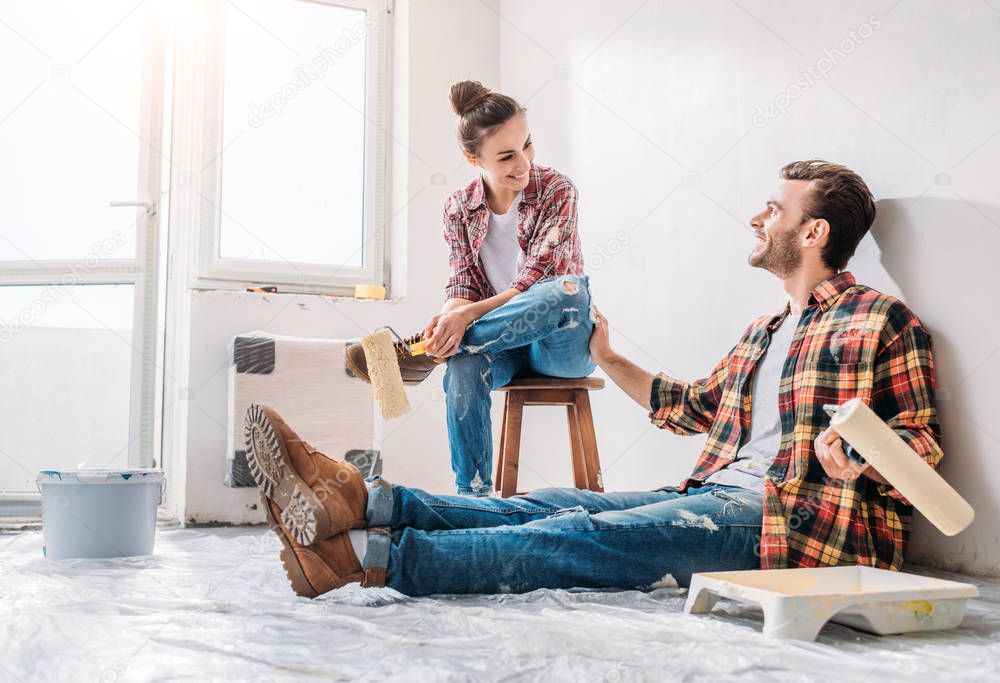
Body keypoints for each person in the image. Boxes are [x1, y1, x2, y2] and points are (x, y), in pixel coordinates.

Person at [247, 160, 944, 598]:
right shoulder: (763, 333)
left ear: (814, 232)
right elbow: (688, 406)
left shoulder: (879, 321)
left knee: (580, 534)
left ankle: (363, 557)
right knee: (549, 503)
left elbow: (918, 445)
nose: (757, 217)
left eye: (774, 209)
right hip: (716, 495)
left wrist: (855, 453)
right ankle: (360, 499)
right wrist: (607, 356)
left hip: (788, 526)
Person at [344, 81, 595, 496]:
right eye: (507, 156)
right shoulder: (459, 208)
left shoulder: (557, 190)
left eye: (527, 146)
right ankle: (472, 499)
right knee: (462, 362)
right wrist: (450, 314)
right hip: (504, 344)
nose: (525, 163)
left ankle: (427, 353)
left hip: (560, 343)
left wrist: (464, 320)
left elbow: (538, 277)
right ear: (471, 157)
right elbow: (464, 279)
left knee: (568, 291)